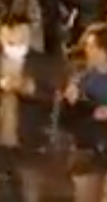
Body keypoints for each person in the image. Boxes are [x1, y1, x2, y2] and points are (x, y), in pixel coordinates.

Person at [0, 13, 61, 202]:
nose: (15, 37)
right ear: (0, 34)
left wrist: (31, 88)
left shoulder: (43, 62)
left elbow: (54, 96)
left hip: (29, 143)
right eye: (9, 32)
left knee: (29, 191)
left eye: (20, 32)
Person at [63, 23, 107, 202]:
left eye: (91, 46)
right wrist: (68, 101)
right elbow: (67, 119)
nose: (86, 50)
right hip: (88, 149)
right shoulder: (81, 79)